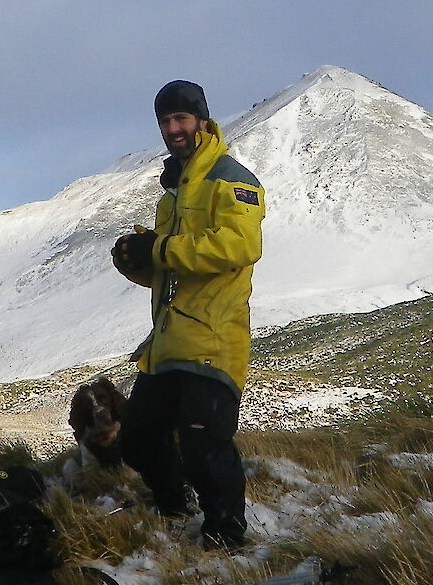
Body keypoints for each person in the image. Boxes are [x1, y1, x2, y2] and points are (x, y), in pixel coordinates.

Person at [109, 79, 265, 550]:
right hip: (168, 343)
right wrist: (139, 262)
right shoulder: (170, 194)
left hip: (214, 341)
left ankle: (226, 534)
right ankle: (175, 506)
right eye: (164, 121)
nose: (173, 129)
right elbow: (172, 270)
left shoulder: (231, 178)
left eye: (180, 118)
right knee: (136, 440)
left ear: (201, 119)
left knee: (204, 445)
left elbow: (241, 246)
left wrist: (160, 249)